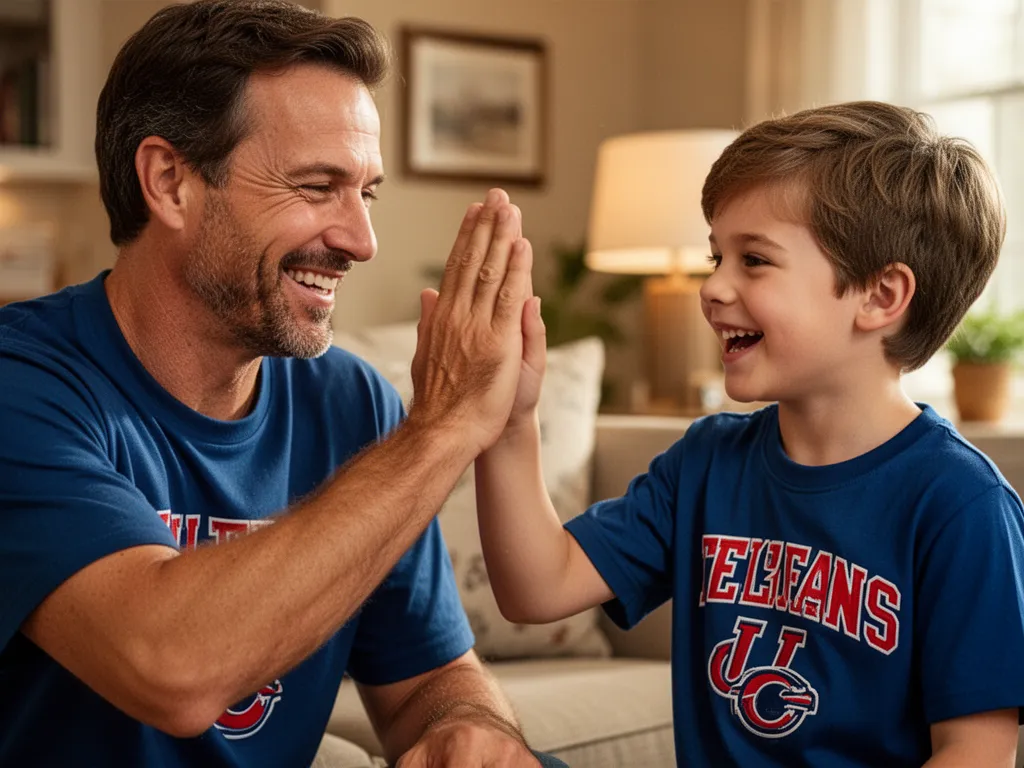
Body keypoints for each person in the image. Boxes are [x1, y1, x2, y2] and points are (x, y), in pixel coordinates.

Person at [0, 1, 564, 766]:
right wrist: (447, 426)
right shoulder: (24, 385)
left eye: (365, 193)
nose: (361, 241)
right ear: (170, 181)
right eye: (316, 185)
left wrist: (468, 726)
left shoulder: (351, 403)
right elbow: (171, 668)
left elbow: (429, 675)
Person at [475, 101, 1024, 766]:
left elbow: (976, 752)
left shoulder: (961, 506)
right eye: (716, 256)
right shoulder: (707, 462)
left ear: (881, 297)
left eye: (754, 261)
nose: (713, 287)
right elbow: (538, 587)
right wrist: (509, 424)